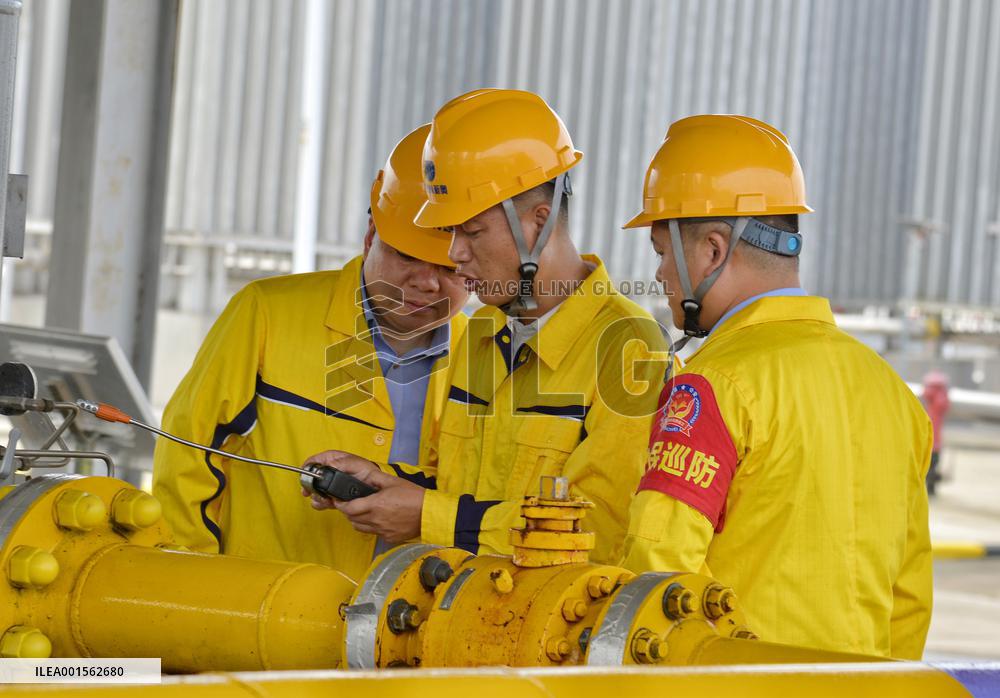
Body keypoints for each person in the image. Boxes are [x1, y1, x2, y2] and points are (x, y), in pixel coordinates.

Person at [307, 89, 669, 565]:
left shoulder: (629, 348)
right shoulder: (482, 331)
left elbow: (601, 528)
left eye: (471, 231)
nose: (454, 254)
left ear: (537, 223)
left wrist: (427, 517)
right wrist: (383, 483)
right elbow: (455, 486)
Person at [619, 114, 933, 659]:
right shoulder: (895, 395)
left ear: (713, 251)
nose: (662, 277)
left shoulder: (710, 388)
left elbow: (656, 574)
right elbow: (908, 599)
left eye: (663, 253)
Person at [152, 124, 469, 581]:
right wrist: (195, 588)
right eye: (406, 257)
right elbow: (188, 454)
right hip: (254, 617)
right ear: (369, 236)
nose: (425, 282)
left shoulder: (484, 359)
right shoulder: (267, 314)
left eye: (449, 268)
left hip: (402, 630)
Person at [921, 370, 951, 496]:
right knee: (932, 465)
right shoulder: (941, 399)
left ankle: (929, 489)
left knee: (928, 466)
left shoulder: (927, 399)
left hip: (928, 439)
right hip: (935, 441)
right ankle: (931, 489)